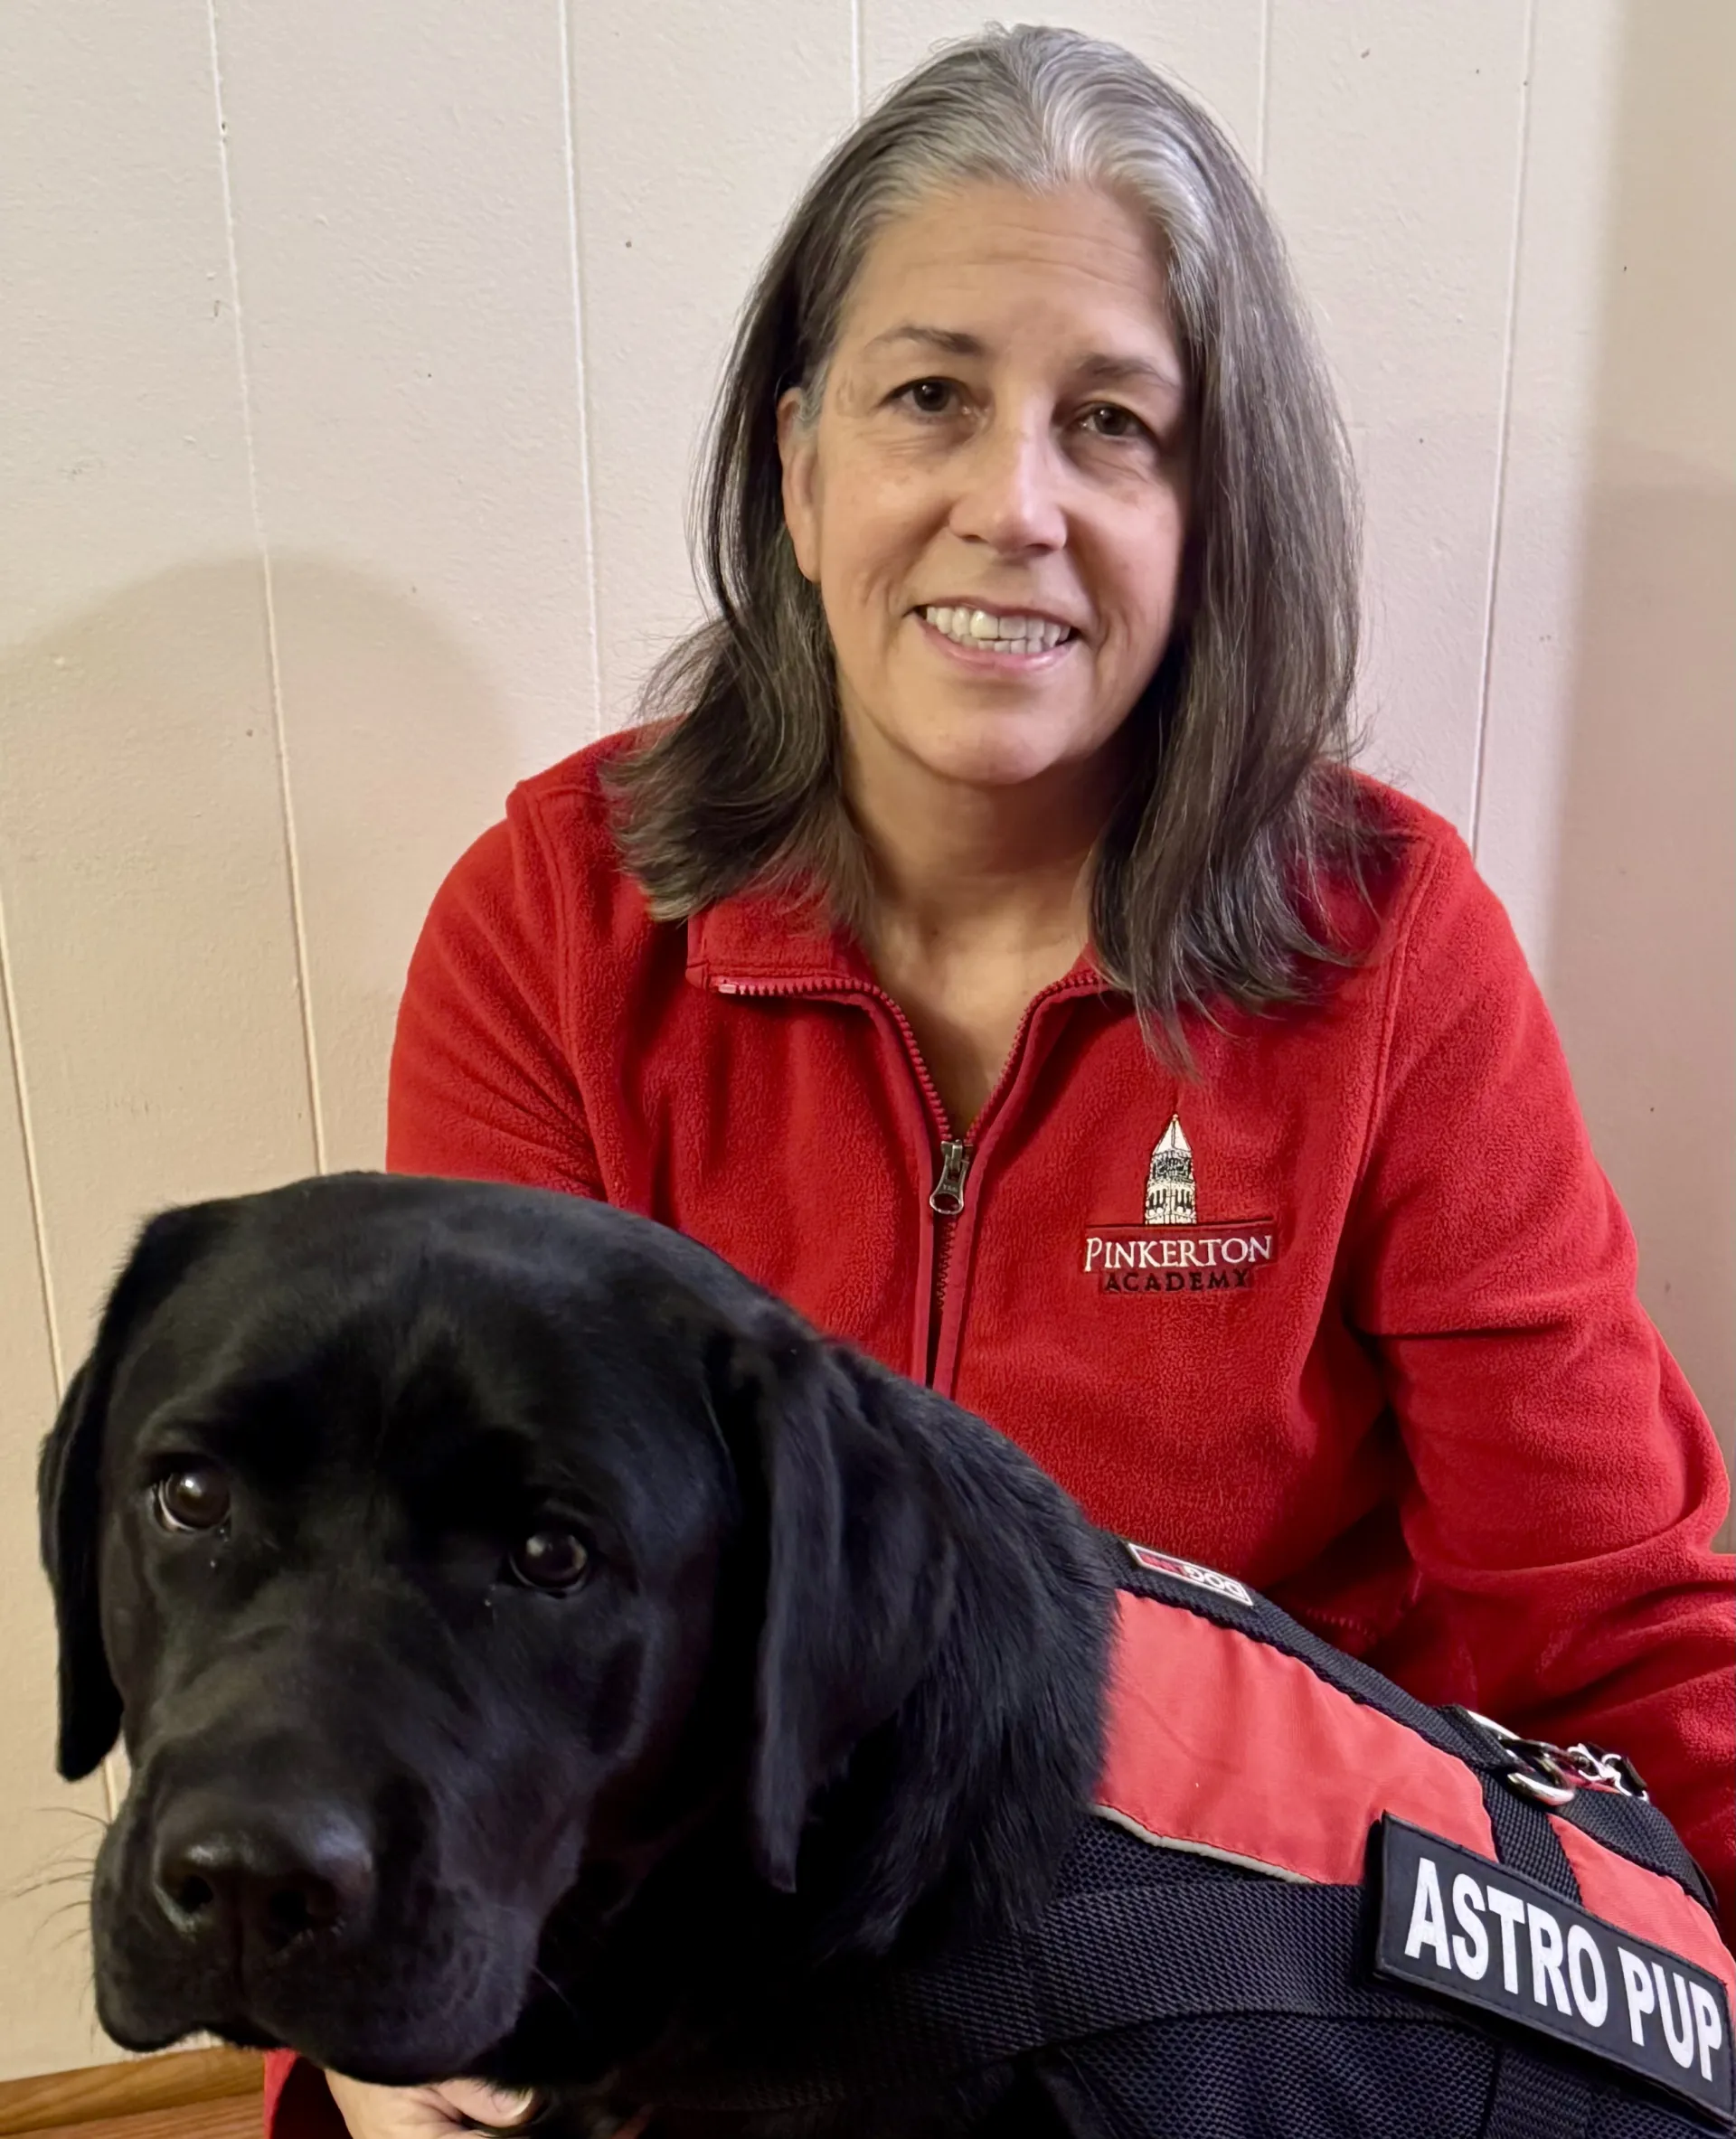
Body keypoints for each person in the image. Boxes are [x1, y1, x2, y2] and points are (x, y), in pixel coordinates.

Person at [286, 25, 1733, 2139]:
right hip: (707, 1968)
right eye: (931, 397)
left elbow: (1607, 1627)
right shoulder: (550, 923)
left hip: (1243, 1973)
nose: (1015, 503)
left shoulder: (1394, 947)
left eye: (1114, 423)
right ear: (796, 468)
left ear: (1204, 506)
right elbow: (442, 1591)